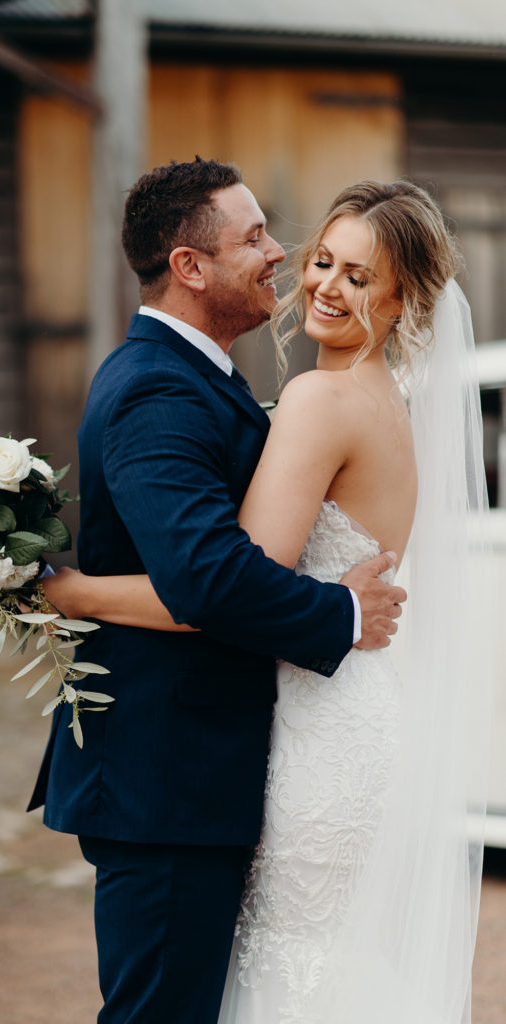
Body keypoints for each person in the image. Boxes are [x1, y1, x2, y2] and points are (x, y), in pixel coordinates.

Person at [39, 177, 490, 1023]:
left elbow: (219, 583)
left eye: (358, 275)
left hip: (314, 728)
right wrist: (339, 611)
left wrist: (70, 591)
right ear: (189, 265)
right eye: (322, 260)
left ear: (403, 300)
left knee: (288, 970)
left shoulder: (319, 398)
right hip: (338, 715)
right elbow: (224, 578)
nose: (312, 277)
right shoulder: (379, 400)